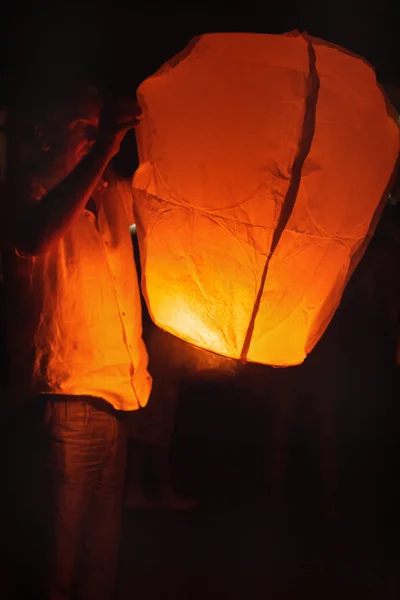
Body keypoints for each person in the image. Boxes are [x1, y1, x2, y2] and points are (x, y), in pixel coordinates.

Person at [0, 76, 152, 600]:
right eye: (83, 128)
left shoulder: (112, 199)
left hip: (113, 405)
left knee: (96, 573)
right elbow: (34, 237)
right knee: (51, 572)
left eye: (101, 128)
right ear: (44, 136)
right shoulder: (24, 195)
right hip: (57, 407)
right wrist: (107, 145)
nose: (96, 137)